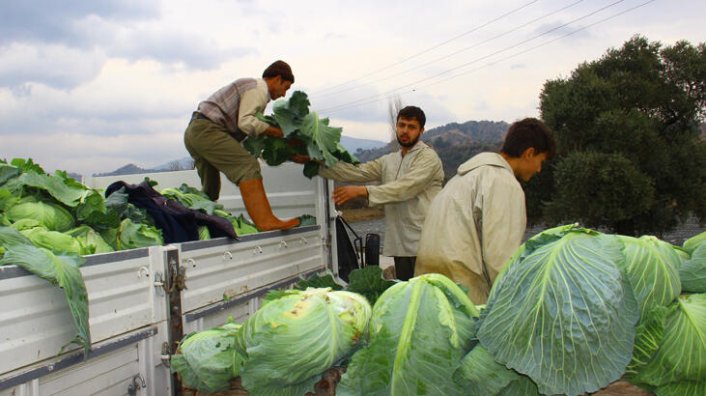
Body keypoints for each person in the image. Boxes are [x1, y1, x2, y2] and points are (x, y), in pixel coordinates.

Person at [415, 117, 556, 304]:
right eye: (541, 161)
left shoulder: (460, 179)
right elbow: (501, 260)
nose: (539, 169)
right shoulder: (504, 183)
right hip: (464, 298)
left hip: (427, 289)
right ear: (529, 153)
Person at [319, 106, 444, 280]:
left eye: (411, 127)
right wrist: (316, 164)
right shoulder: (389, 160)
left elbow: (405, 188)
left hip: (426, 244)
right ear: (396, 126)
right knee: (408, 297)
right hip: (401, 245)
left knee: (429, 298)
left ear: (421, 131)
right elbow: (358, 171)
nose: (405, 131)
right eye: (402, 125)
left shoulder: (428, 158)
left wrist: (363, 191)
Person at [183, 60, 300, 231]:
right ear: (277, 79)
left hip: (194, 132)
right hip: (208, 131)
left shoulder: (250, 88)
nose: (284, 94)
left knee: (211, 190)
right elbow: (246, 123)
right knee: (248, 166)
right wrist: (278, 132)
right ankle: (266, 221)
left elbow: (246, 136)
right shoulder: (259, 89)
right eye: (286, 87)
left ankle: (194, 224)